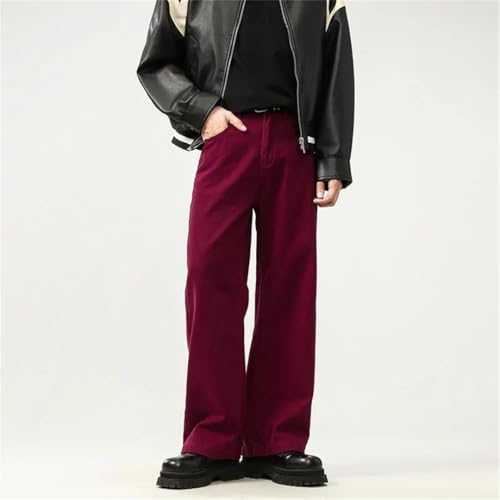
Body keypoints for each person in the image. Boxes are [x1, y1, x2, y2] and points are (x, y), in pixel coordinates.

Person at [137, 0, 354, 489]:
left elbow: (336, 68)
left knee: (289, 292)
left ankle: (277, 440)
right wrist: (202, 111)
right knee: (211, 283)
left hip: (295, 145)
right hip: (225, 138)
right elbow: (156, 64)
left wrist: (333, 158)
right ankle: (211, 439)